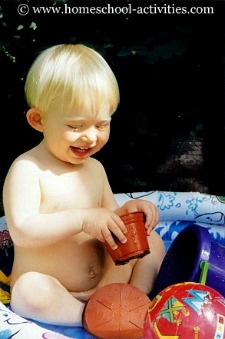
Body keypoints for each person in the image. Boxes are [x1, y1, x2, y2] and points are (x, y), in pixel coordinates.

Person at [3, 44, 165, 326]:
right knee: (28, 292)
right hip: (59, 292)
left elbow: (112, 224)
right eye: (76, 126)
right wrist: (81, 219)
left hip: (106, 283)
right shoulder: (28, 169)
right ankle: (88, 319)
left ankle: (136, 301)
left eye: (101, 125)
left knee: (153, 240)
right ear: (38, 120)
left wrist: (131, 213)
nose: (90, 137)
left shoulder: (95, 169)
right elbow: (24, 231)